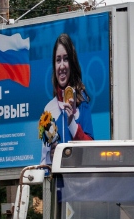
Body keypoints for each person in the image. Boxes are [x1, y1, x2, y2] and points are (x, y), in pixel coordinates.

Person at [39, 33, 95, 165]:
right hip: (59, 184)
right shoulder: (48, 110)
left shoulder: (82, 102)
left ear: (72, 63)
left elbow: (91, 150)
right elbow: (43, 162)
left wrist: (72, 124)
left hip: (80, 182)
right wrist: (50, 157)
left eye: (66, 59)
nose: (62, 66)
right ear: (54, 65)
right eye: (58, 60)